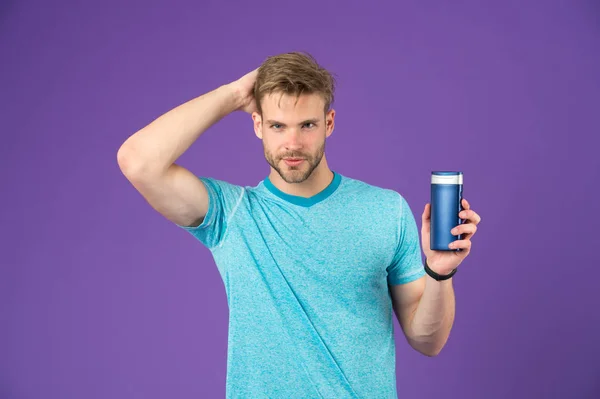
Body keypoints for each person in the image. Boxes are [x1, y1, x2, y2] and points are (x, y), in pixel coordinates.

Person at [117, 51, 481, 398]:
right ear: (257, 125)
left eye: (307, 125)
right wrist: (232, 95)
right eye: (278, 126)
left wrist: (439, 273)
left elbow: (427, 340)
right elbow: (138, 161)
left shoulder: (386, 210)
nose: (292, 143)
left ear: (329, 123)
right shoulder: (231, 213)